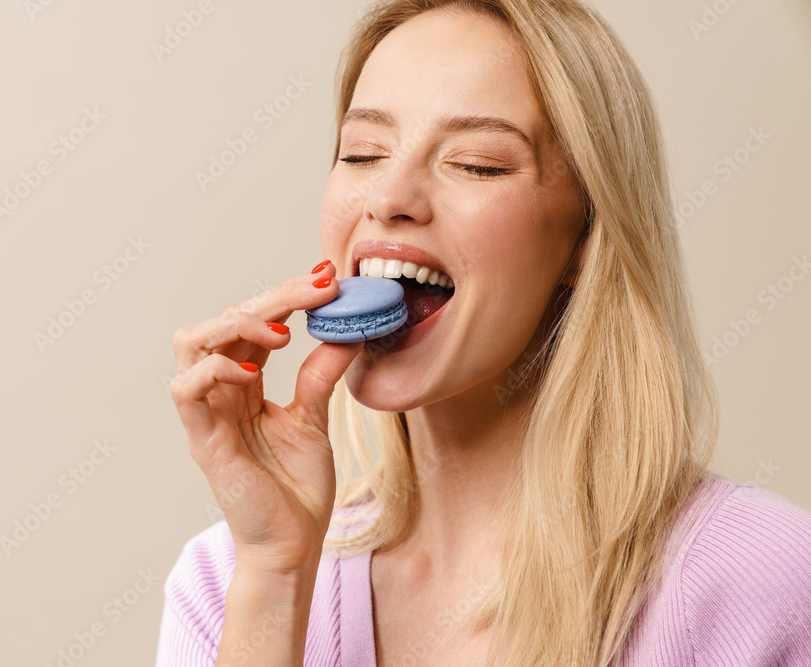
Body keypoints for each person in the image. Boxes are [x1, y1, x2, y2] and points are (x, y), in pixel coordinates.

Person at [158, 0, 811, 664]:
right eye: (362, 153)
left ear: (585, 237)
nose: (387, 197)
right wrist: (275, 578)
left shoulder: (762, 584)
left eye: (476, 164)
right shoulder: (226, 581)